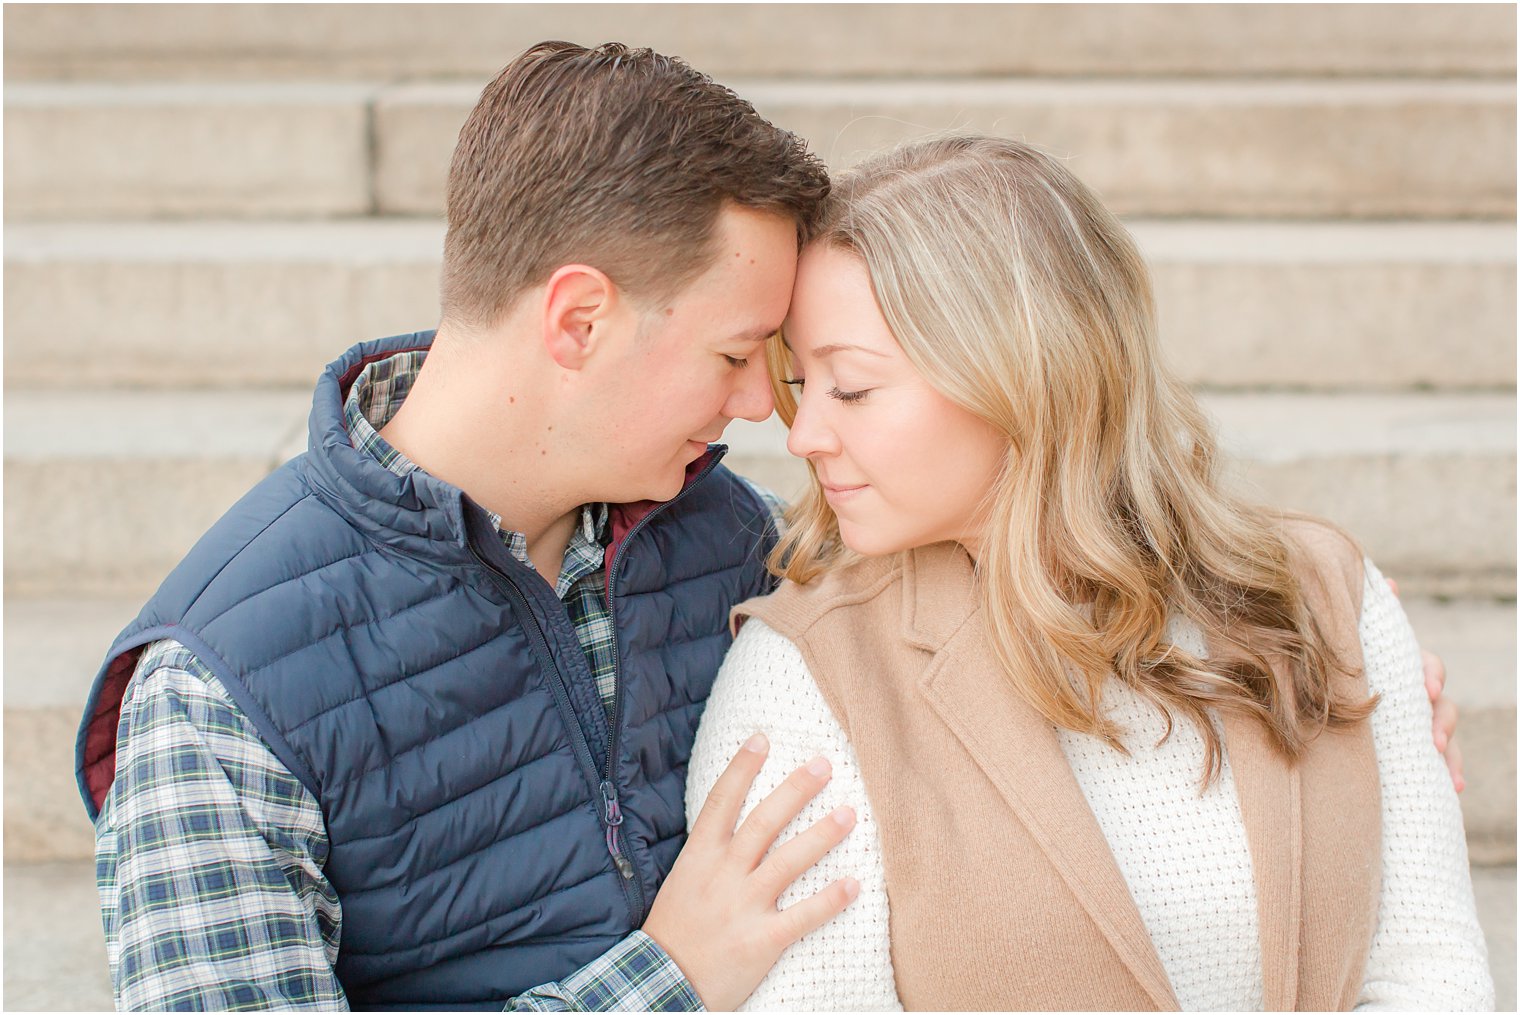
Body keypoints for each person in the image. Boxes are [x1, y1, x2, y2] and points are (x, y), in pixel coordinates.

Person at [75, 42, 862, 1011]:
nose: (758, 403)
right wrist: (665, 980)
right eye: (736, 352)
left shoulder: (727, 537)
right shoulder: (217, 694)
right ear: (577, 319)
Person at [687, 134, 1493, 1010]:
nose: (802, 436)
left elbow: (1430, 968)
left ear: (1022, 375)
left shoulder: (1327, 592)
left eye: (853, 388)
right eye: (804, 386)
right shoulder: (806, 675)